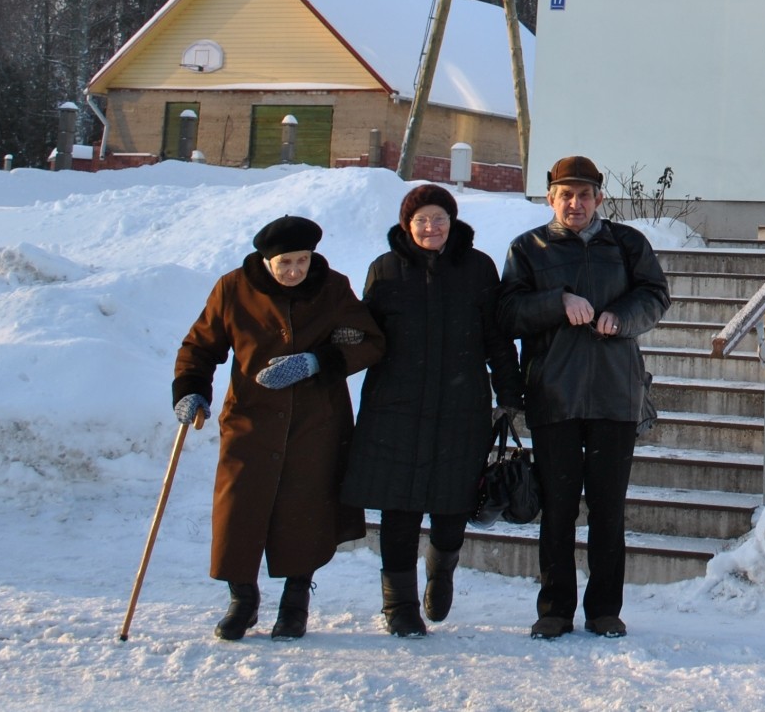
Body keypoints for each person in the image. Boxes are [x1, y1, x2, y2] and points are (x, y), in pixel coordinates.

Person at [172, 214, 384, 641]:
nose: (294, 271)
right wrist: (191, 389)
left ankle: (295, 604)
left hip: (316, 422)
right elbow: (201, 345)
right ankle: (243, 601)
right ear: (266, 260)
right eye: (285, 263)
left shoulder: (332, 287)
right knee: (239, 511)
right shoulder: (234, 288)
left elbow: (371, 341)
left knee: (305, 511)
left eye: (302, 261)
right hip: (251, 420)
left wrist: (317, 361)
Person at [341, 183, 524, 637]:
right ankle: (399, 605)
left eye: (439, 218)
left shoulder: (478, 268)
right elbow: (369, 334)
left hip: (460, 406)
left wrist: (509, 392)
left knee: (451, 505)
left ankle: (441, 574)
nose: (431, 227)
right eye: (421, 219)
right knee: (398, 510)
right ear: (407, 224)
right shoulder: (384, 271)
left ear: (452, 221)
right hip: (396, 408)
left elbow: (497, 338)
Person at [499, 155, 669, 639]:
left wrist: (623, 316)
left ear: (599, 198)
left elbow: (655, 295)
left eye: (585, 194)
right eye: (565, 195)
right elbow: (508, 312)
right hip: (554, 395)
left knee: (608, 508)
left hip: (615, 395)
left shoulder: (627, 243)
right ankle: (554, 609)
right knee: (557, 507)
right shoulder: (528, 248)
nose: (575, 203)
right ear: (550, 198)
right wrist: (558, 302)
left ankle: (604, 611)